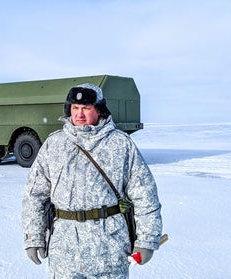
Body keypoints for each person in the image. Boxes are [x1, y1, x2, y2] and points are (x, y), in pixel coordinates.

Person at [22, 83, 162, 278]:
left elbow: (145, 195)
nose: (79, 114)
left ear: (99, 109)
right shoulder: (54, 144)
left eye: (86, 108)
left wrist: (147, 241)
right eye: (75, 108)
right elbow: (34, 195)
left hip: (109, 249)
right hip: (64, 249)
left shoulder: (121, 144)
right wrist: (34, 236)